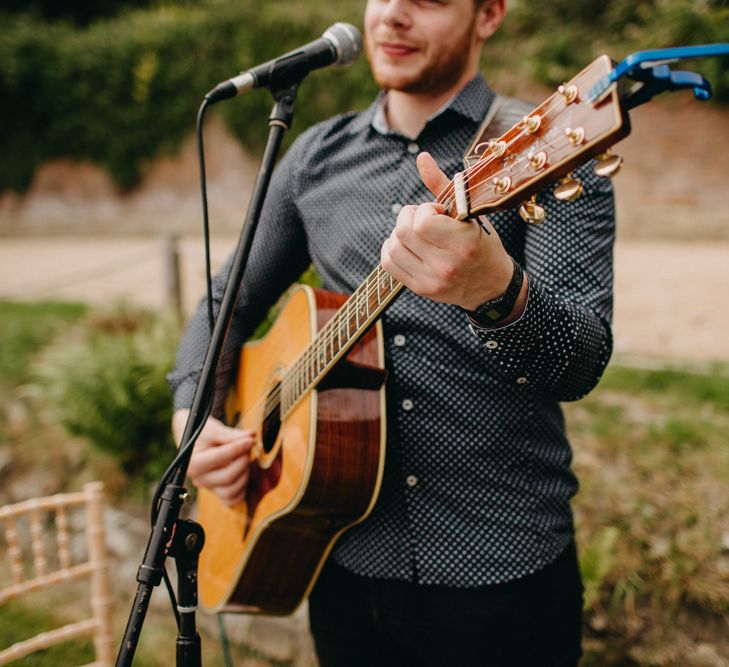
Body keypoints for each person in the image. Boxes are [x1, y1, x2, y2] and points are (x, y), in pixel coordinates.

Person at [168, 0, 616, 664]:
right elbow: (224, 302)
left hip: (502, 568)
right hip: (336, 555)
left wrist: (498, 292)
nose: (394, 14)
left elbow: (578, 361)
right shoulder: (314, 156)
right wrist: (192, 418)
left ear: (487, 14)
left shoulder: (545, 145)